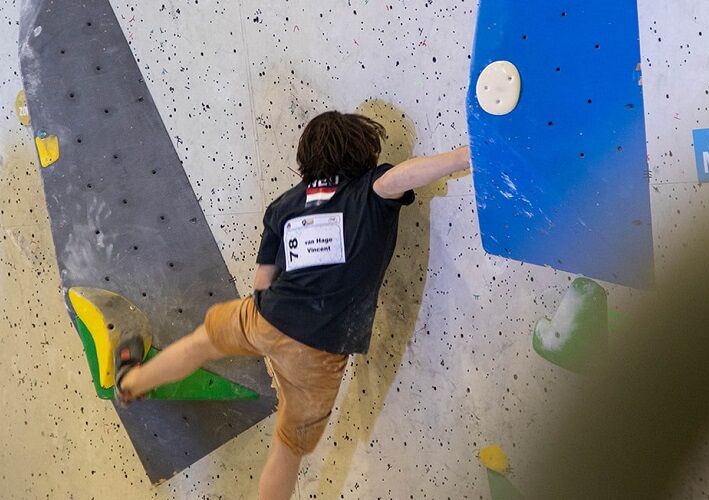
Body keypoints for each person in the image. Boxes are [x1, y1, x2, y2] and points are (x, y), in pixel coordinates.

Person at [112, 111, 471, 499]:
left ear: (306, 160)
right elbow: (400, 178)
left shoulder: (285, 204)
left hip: (264, 317)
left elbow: (261, 282)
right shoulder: (369, 190)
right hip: (318, 349)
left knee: (200, 344)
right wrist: (463, 156)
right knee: (287, 447)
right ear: (364, 154)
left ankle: (130, 384)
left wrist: (269, 331)